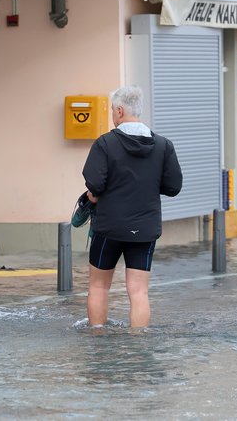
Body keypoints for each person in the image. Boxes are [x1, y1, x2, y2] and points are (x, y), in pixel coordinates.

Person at [81, 86, 182, 328]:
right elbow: (173, 186)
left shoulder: (105, 144)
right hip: (144, 229)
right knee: (139, 292)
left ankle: (97, 338)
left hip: (109, 228)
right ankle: (139, 342)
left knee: (99, 286)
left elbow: (95, 183)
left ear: (119, 110)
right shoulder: (163, 146)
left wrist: (93, 196)